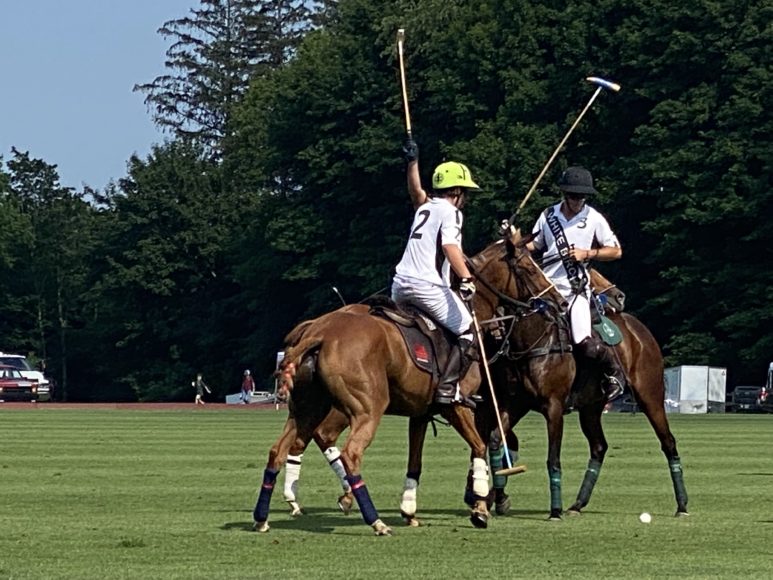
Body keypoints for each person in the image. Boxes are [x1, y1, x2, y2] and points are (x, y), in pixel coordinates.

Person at [391, 137, 480, 406]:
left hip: (399, 286)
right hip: (426, 287)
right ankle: (447, 388)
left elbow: (415, 191)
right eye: (464, 192)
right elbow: (450, 247)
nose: (464, 199)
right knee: (468, 330)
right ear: (457, 191)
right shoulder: (451, 212)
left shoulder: (425, 207)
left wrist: (413, 162)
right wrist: (466, 278)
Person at [526, 166, 625, 401]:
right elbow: (535, 245)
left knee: (583, 341)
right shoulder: (548, 215)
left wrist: (587, 253)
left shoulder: (593, 218)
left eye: (581, 197)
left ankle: (613, 373)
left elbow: (616, 251)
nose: (577, 201)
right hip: (545, 290)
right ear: (564, 194)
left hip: (575, 289)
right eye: (573, 196)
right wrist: (513, 241)